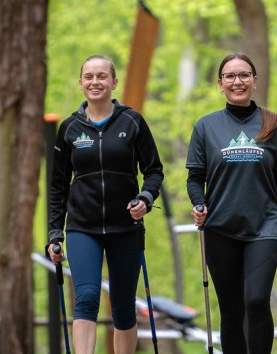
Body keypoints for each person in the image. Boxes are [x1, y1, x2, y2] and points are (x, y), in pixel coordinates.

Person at [47, 54, 164, 354]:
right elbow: (58, 186)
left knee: (124, 306)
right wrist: (54, 235)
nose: (95, 82)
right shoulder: (70, 128)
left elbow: (154, 172)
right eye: (89, 76)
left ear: (114, 81)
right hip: (82, 228)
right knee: (85, 299)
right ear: (81, 83)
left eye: (102, 76)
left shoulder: (132, 121)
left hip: (125, 226)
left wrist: (146, 199)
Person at [185, 53, 277, 354]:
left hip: (265, 226)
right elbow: (195, 178)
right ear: (220, 84)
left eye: (244, 75)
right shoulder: (206, 127)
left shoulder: (273, 123)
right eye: (230, 76)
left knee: (256, 300)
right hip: (220, 228)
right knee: (232, 310)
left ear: (255, 80)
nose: (238, 81)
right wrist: (199, 203)